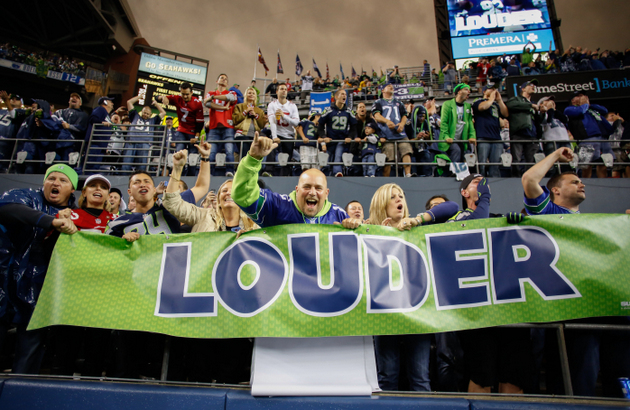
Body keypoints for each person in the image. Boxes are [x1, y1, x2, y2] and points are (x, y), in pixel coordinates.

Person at [521, 147, 630, 397]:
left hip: (612, 309)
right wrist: (556, 155)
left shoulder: (598, 224)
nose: (582, 184)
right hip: (576, 314)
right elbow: (529, 179)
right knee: (579, 384)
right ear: (555, 190)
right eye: (574, 181)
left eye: (581, 181)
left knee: (620, 381)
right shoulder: (548, 213)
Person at [366, 183, 458, 391]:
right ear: (382, 204)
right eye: (393, 197)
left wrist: (416, 220)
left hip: (418, 313)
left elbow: (452, 207)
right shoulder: (369, 231)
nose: (400, 200)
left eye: (401, 196)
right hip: (384, 315)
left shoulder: (419, 227)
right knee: (387, 376)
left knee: (420, 378)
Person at [0, 164, 78, 374]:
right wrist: (52, 222)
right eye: (51, 178)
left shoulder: (75, 216)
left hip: (39, 289)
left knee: (29, 353)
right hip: (4, 282)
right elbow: (7, 209)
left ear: (72, 189)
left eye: (63, 180)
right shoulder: (25, 196)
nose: (55, 183)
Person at [106, 141, 211, 240]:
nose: (142, 185)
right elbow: (106, 250)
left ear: (153, 189)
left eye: (147, 182)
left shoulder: (171, 207)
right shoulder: (117, 223)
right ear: (129, 192)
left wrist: (205, 157)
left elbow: (201, 187)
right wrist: (121, 242)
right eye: (137, 182)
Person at [163, 148, 258, 233]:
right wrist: (177, 169)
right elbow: (172, 203)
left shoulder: (255, 225)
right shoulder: (202, 216)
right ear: (219, 200)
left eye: (233, 191)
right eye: (224, 191)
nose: (229, 193)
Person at [159, 82, 205, 175]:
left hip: (192, 132)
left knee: (193, 155)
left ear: (191, 93)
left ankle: (191, 176)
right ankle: (177, 174)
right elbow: (158, 97)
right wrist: (163, 98)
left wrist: (196, 137)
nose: (185, 96)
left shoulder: (197, 103)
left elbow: (200, 122)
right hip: (181, 130)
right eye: (183, 94)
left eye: (187, 94)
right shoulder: (177, 98)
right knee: (179, 153)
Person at [564, 91, 613, 179]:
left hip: (602, 138)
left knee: (603, 163)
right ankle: (585, 182)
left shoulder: (590, 109)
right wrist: (585, 105)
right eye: (578, 96)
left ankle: (602, 183)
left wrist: (589, 105)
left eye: (583, 95)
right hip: (587, 139)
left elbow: (604, 110)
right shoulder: (570, 109)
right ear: (573, 100)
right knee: (586, 165)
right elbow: (579, 112)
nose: (583, 97)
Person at [371, 84, 412, 177]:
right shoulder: (378, 102)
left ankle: (408, 174)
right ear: (383, 90)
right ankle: (386, 179)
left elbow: (404, 116)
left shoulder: (399, 102)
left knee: (406, 150)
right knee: (388, 157)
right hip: (386, 134)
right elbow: (376, 115)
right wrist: (387, 121)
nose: (391, 87)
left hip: (400, 133)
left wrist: (402, 124)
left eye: (392, 86)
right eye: (388, 86)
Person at [505, 79, 544, 176]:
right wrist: (530, 105)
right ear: (523, 89)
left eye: (534, 85)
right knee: (517, 159)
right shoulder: (516, 99)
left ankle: (529, 179)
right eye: (530, 85)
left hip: (532, 135)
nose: (533, 87)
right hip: (519, 133)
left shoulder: (534, 104)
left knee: (531, 160)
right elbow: (510, 105)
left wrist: (542, 112)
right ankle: (516, 178)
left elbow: (538, 120)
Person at [203, 74, 238, 177]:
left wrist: (214, 97)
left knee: (229, 150)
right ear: (216, 81)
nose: (224, 80)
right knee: (211, 151)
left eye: (226, 79)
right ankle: (209, 172)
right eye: (221, 78)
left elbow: (230, 98)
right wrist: (223, 108)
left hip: (228, 126)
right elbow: (207, 104)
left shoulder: (231, 92)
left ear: (227, 84)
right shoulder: (210, 92)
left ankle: (230, 171)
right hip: (214, 126)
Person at [121, 96, 166, 173]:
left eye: (148, 114)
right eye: (145, 113)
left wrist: (156, 104)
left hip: (145, 144)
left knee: (142, 166)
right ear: (142, 111)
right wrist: (139, 97)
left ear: (150, 114)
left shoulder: (153, 120)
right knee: (126, 163)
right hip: (131, 142)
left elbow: (163, 113)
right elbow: (129, 102)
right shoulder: (134, 115)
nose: (146, 115)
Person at [318, 89, 357, 177]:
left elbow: (354, 127)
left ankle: (337, 172)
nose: (344, 96)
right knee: (328, 159)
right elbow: (320, 126)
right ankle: (325, 175)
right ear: (336, 97)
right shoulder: (328, 110)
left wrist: (350, 137)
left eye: (345, 95)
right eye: (342, 94)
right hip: (330, 140)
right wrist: (324, 137)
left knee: (338, 156)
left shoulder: (349, 111)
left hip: (342, 140)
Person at [472, 88, 508, 178]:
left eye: (494, 89)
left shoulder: (496, 104)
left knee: (495, 165)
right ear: (484, 91)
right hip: (483, 137)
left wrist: (499, 100)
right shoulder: (478, 101)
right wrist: (491, 98)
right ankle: (480, 183)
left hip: (496, 137)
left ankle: (495, 185)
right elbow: (482, 107)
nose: (493, 90)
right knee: (482, 164)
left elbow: (506, 113)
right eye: (490, 89)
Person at [439, 83, 476, 168]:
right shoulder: (447, 104)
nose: (469, 92)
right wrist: (446, 136)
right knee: (456, 150)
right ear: (459, 92)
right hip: (451, 138)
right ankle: (454, 172)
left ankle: (463, 175)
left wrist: (472, 136)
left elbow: (470, 123)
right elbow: (444, 123)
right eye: (466, 89)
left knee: (466, 153)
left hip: (462, 139)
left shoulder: (467, 106)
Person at [267, 83, 299, 176]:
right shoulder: (272, 105)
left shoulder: (292, 106)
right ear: (277, 91)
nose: (284, 90)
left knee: (287, 157)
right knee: (271, 148)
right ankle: (268, 171)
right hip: (277, 133)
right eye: (281, 89)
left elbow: (296, 123)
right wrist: (274, 136)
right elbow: (272, 122)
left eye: (285, 89)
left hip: (288, 135)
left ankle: (284, 175)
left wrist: (283, 116)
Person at [53, 93, 87, 162]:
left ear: (80, 103)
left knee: (66, 164)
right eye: (72, 97)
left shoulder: (83, 115)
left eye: (77, 98)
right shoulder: (60, 112)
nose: (74, 98)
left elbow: (82, 128)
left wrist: (69, 126)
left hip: (72, 145)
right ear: (69, 101)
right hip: (57, 143)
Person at [233, 87, 266, 157]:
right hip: (241, 134)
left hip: (254, 136)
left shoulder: (259, 110)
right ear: (246, 95)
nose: (251, 94)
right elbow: (235, 120)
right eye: (249, 93)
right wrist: (245, 112)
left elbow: (262, 125)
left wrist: (256, 115)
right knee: (245, 155)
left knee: (253, 157)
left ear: (255, 96)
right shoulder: (239, 106)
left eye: (253, 93)